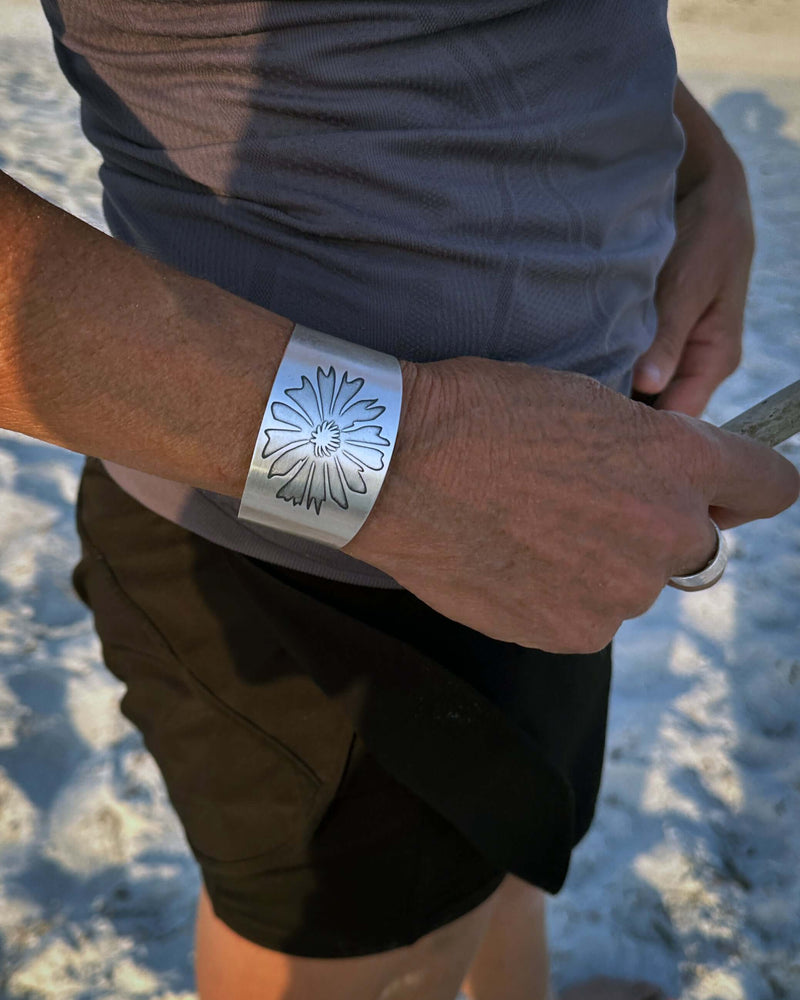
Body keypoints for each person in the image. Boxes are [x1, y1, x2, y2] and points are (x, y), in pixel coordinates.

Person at [1, 2, 797, 999]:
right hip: (303, 576)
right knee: (396, 953)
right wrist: (400, 464)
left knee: (508, 865)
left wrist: (698, 164)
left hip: (561, 484)